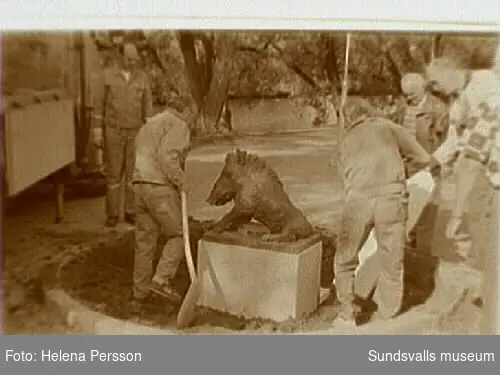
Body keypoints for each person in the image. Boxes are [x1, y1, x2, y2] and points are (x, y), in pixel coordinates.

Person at [334, 98, 438, 326]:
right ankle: (387, 318)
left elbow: (344, 179)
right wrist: (402, 173)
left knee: (344, 259)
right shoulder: (389, 128)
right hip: (392, 199)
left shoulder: (345, 140)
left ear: (347, 119)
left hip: (357, 201)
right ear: (369, 111)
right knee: (391, 259)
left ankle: (346, 313)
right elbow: (423, 157)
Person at [424, 57, 500, 263]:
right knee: (477, 214)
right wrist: (429, 161)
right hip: (482, 169)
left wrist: (456, 215)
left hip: (489, 163)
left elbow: (471, 156)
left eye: (435, 82)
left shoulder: (488, 84)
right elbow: (454, 140)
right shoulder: (456, 104)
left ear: (450, 71)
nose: (435, 89)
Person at [130, 109, 191, 308]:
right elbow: (167, 157)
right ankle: (161, 280)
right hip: (159, 189)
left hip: (139, 185)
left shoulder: (148, 124)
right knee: (179, 235)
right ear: (186, 111)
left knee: (145, 241)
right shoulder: (178, 125)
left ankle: (139, 294)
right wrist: (181, 181)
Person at [92, 43, 153, 228]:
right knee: (113, 175)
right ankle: (112, 215)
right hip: (114, 132)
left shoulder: (142, 78)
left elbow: (147, 107)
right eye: (129, 59)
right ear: (120, 57)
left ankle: (130, 212)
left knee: (132, 175)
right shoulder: (107, 76)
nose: (132, 62)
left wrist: (149, 132)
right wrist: (97, 131)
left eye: (135, 59)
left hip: (135, 132)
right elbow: (98, 105)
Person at [398, 73, 450, 250]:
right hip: (406, 167)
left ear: (422, 89)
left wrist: (436, 163)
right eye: (405, 94)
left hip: (427, 168)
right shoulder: (403, 107)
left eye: (411, 94)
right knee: (406, 210)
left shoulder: (438, 109)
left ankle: (422, 254)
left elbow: (447, 142)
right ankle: (409, 246)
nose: (408, 98)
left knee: (426, 213)